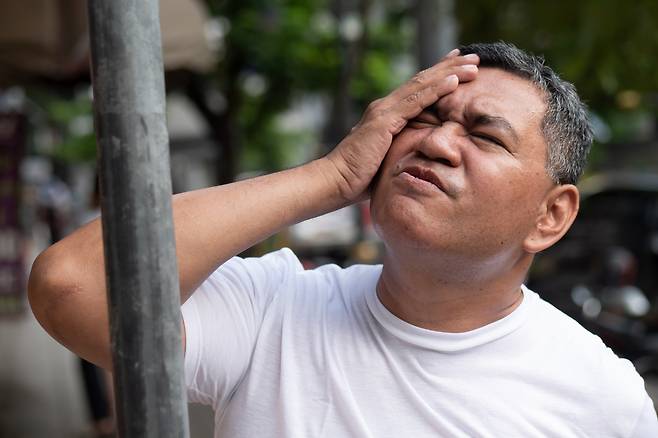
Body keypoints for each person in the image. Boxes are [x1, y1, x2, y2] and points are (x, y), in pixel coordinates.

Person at [28, 42, 658, 437]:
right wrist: (328, 177)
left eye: (485, 137)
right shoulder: (275, 306)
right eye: (424, 119)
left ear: (551, 216)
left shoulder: (603, 399)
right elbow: (70, 286)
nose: (436, 142)